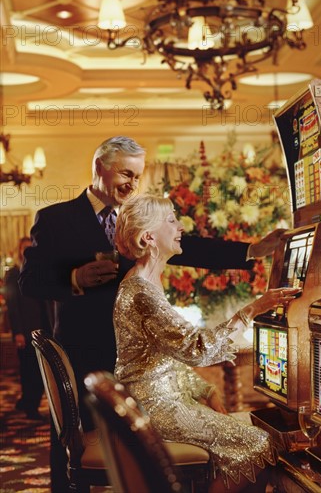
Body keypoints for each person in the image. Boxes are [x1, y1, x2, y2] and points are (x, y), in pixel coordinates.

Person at [18, 136, 285, 491]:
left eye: (137, 176)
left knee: (141, 457)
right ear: (100, 167)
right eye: (126, 174)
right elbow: (30, 282)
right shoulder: (55, 218)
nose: (132, 183)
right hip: (85, 350)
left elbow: (185, 244)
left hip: (137, 353)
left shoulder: (136, 217)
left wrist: (252, 250)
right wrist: (74, 277)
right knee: (69, 450)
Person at [113, 194, 300, 492]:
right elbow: (195, 348)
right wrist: (253, 308)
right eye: (172, 220)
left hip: (156, 398)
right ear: (149, 236)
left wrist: (205, 388)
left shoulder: (145, 281)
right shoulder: (141, 292)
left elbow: (160, 358)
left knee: (246, 437)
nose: (180, 226)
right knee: (258, 444)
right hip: (154, 408)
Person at [4, 237, 49, 420]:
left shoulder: (38, 272)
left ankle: (28, 402)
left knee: (39, 370)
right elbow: (12, 305)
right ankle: (30, 406)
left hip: (41, 329)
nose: (28, 252)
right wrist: (18, 332)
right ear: (19, 251)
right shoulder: (14, 273)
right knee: (29, 370)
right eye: (25, 249)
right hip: (25, 330)